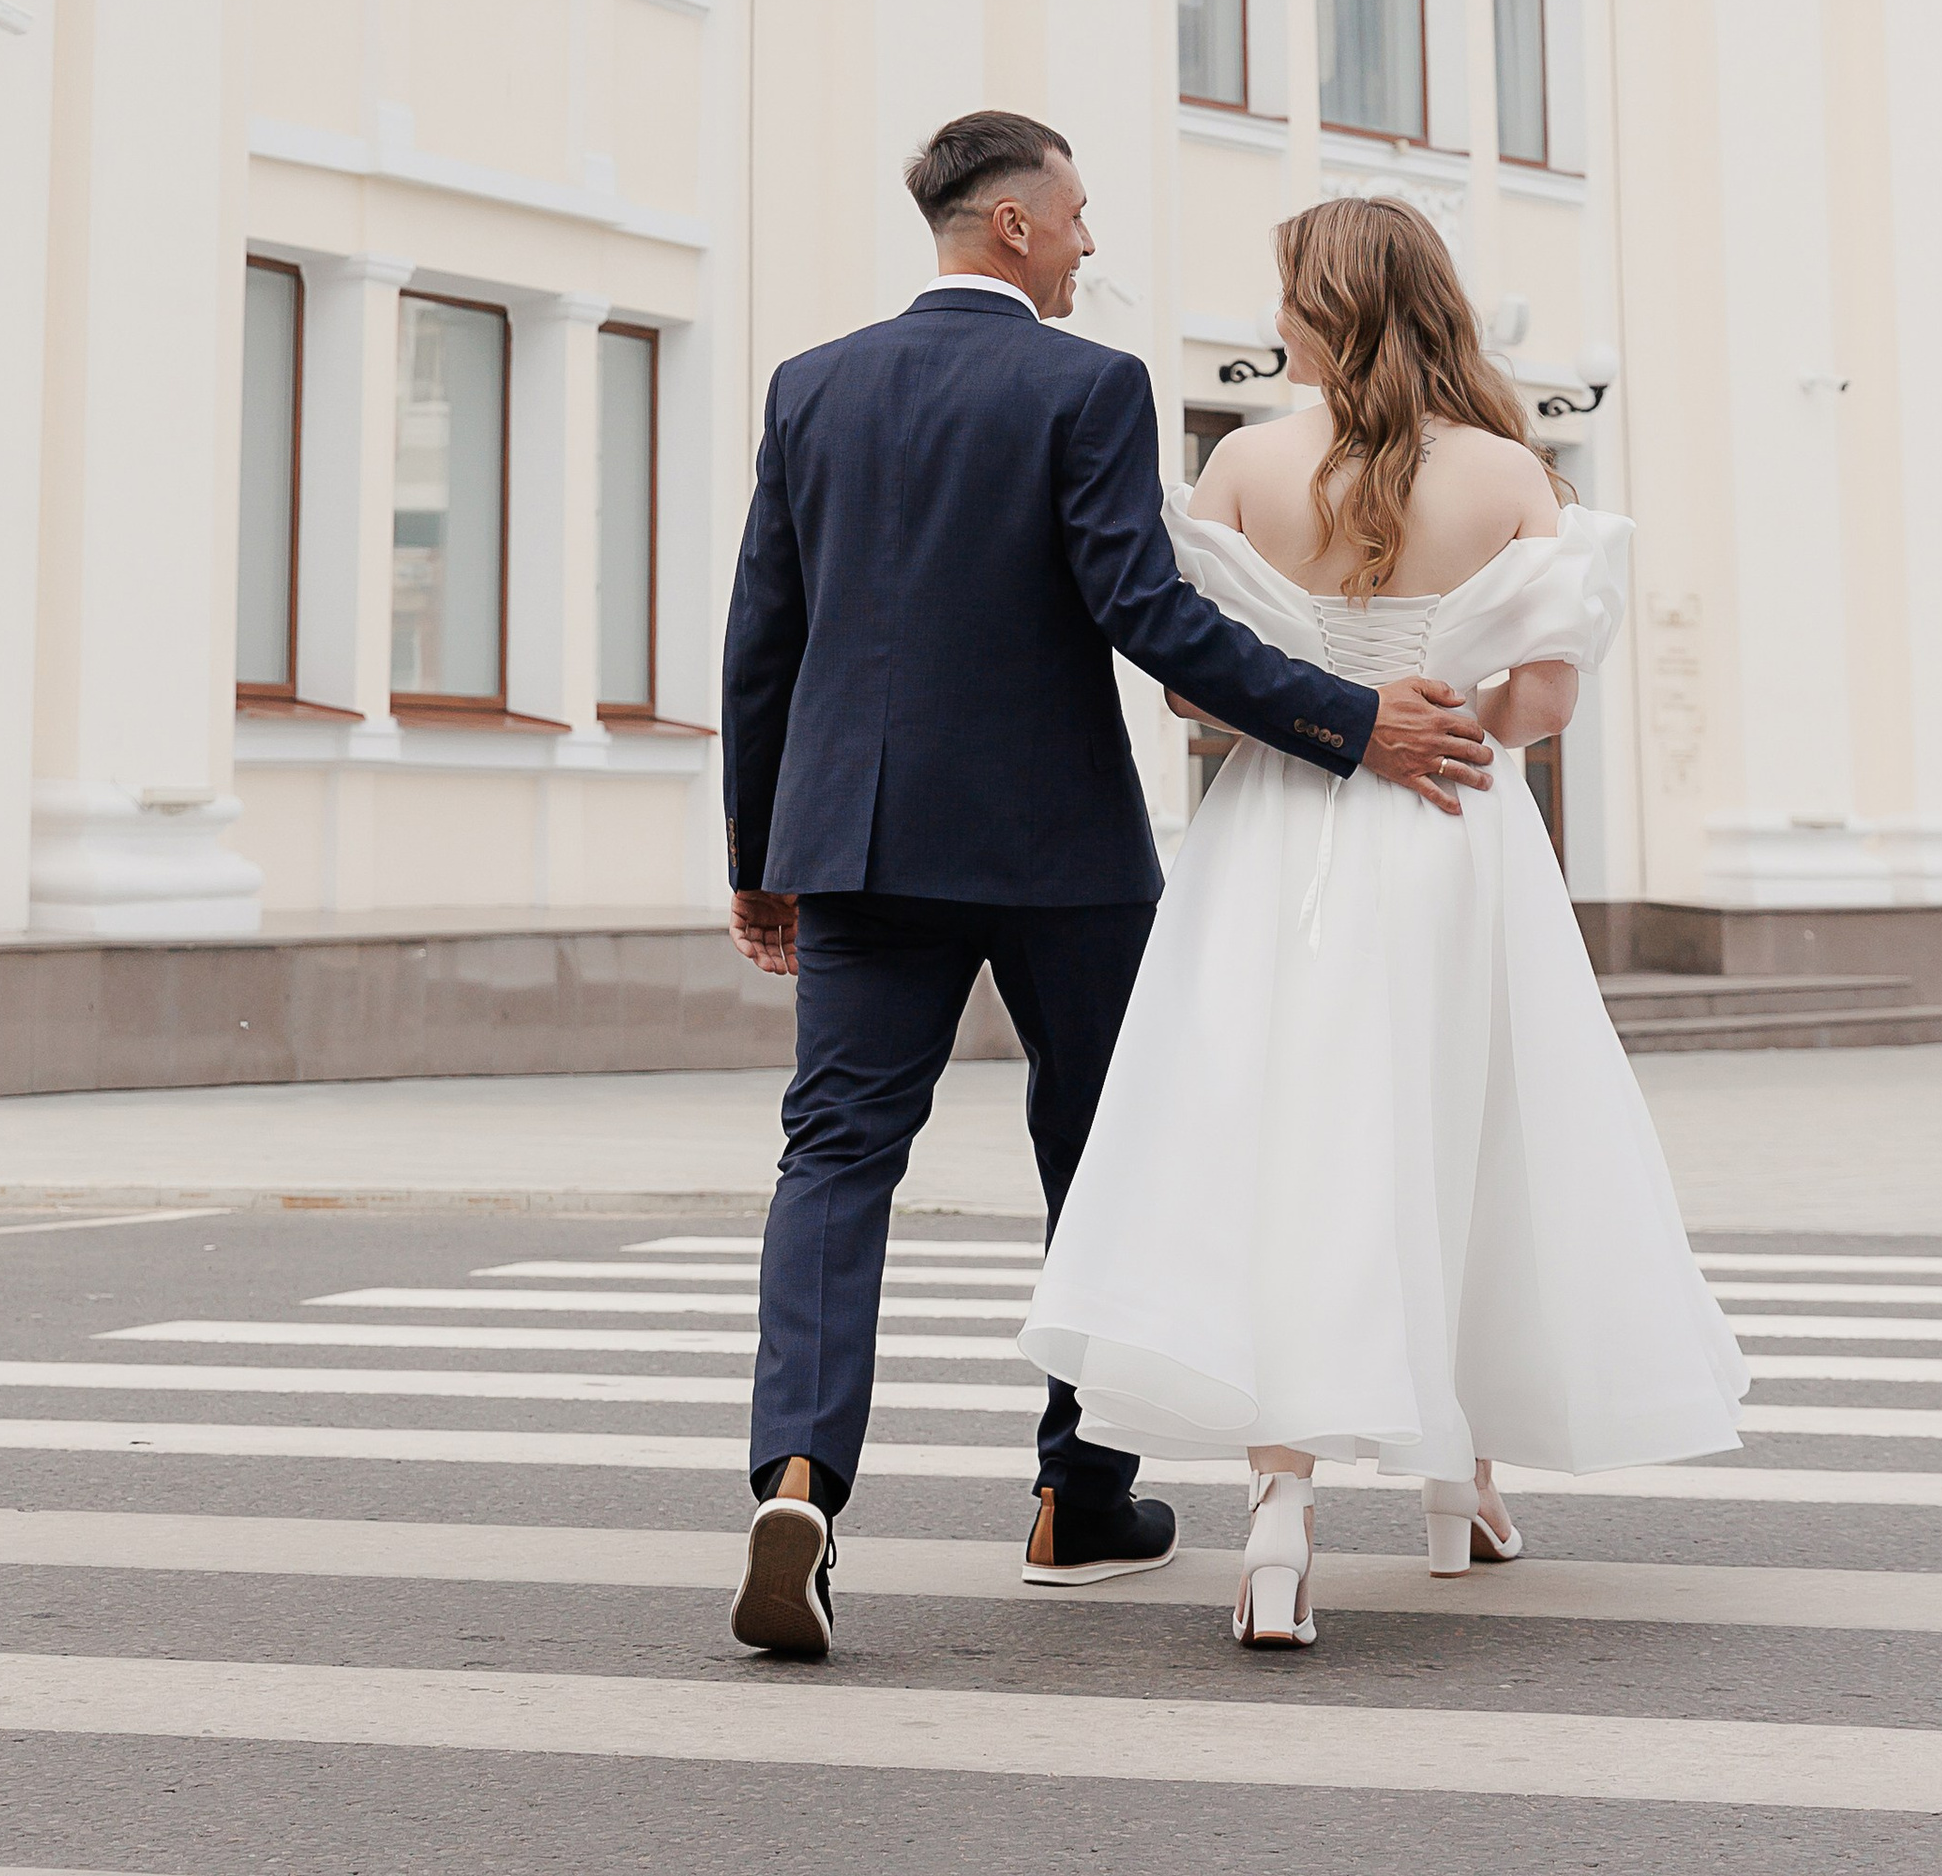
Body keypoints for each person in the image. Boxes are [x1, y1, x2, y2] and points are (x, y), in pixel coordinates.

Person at [720, 111, 1499, 1661]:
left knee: (834, 1159)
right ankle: (1079, 1498)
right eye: (1076, 216)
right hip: (1057, 852)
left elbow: (765, 642)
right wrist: (1353, 721)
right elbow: (1149, 613)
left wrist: (762, 859)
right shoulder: (1085, 386)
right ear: (1013, 227)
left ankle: (799, 1482)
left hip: (859, 845)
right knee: (1107, 1148)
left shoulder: (815, 385)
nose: (1090, 243)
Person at [1022, 192, 1748, 1645]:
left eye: (1286, 290)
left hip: (1278, 838)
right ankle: (1455, 1479)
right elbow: (1541, 704)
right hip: (1454, 831)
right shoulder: (1507, 474)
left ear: (1330, 306)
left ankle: (1280, 1512)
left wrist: (1325, 707)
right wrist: (1447, 703)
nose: (1271, 316)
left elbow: (1188, 690)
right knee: (1465, 1131)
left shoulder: (1242, 462)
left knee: (1284, 1140)